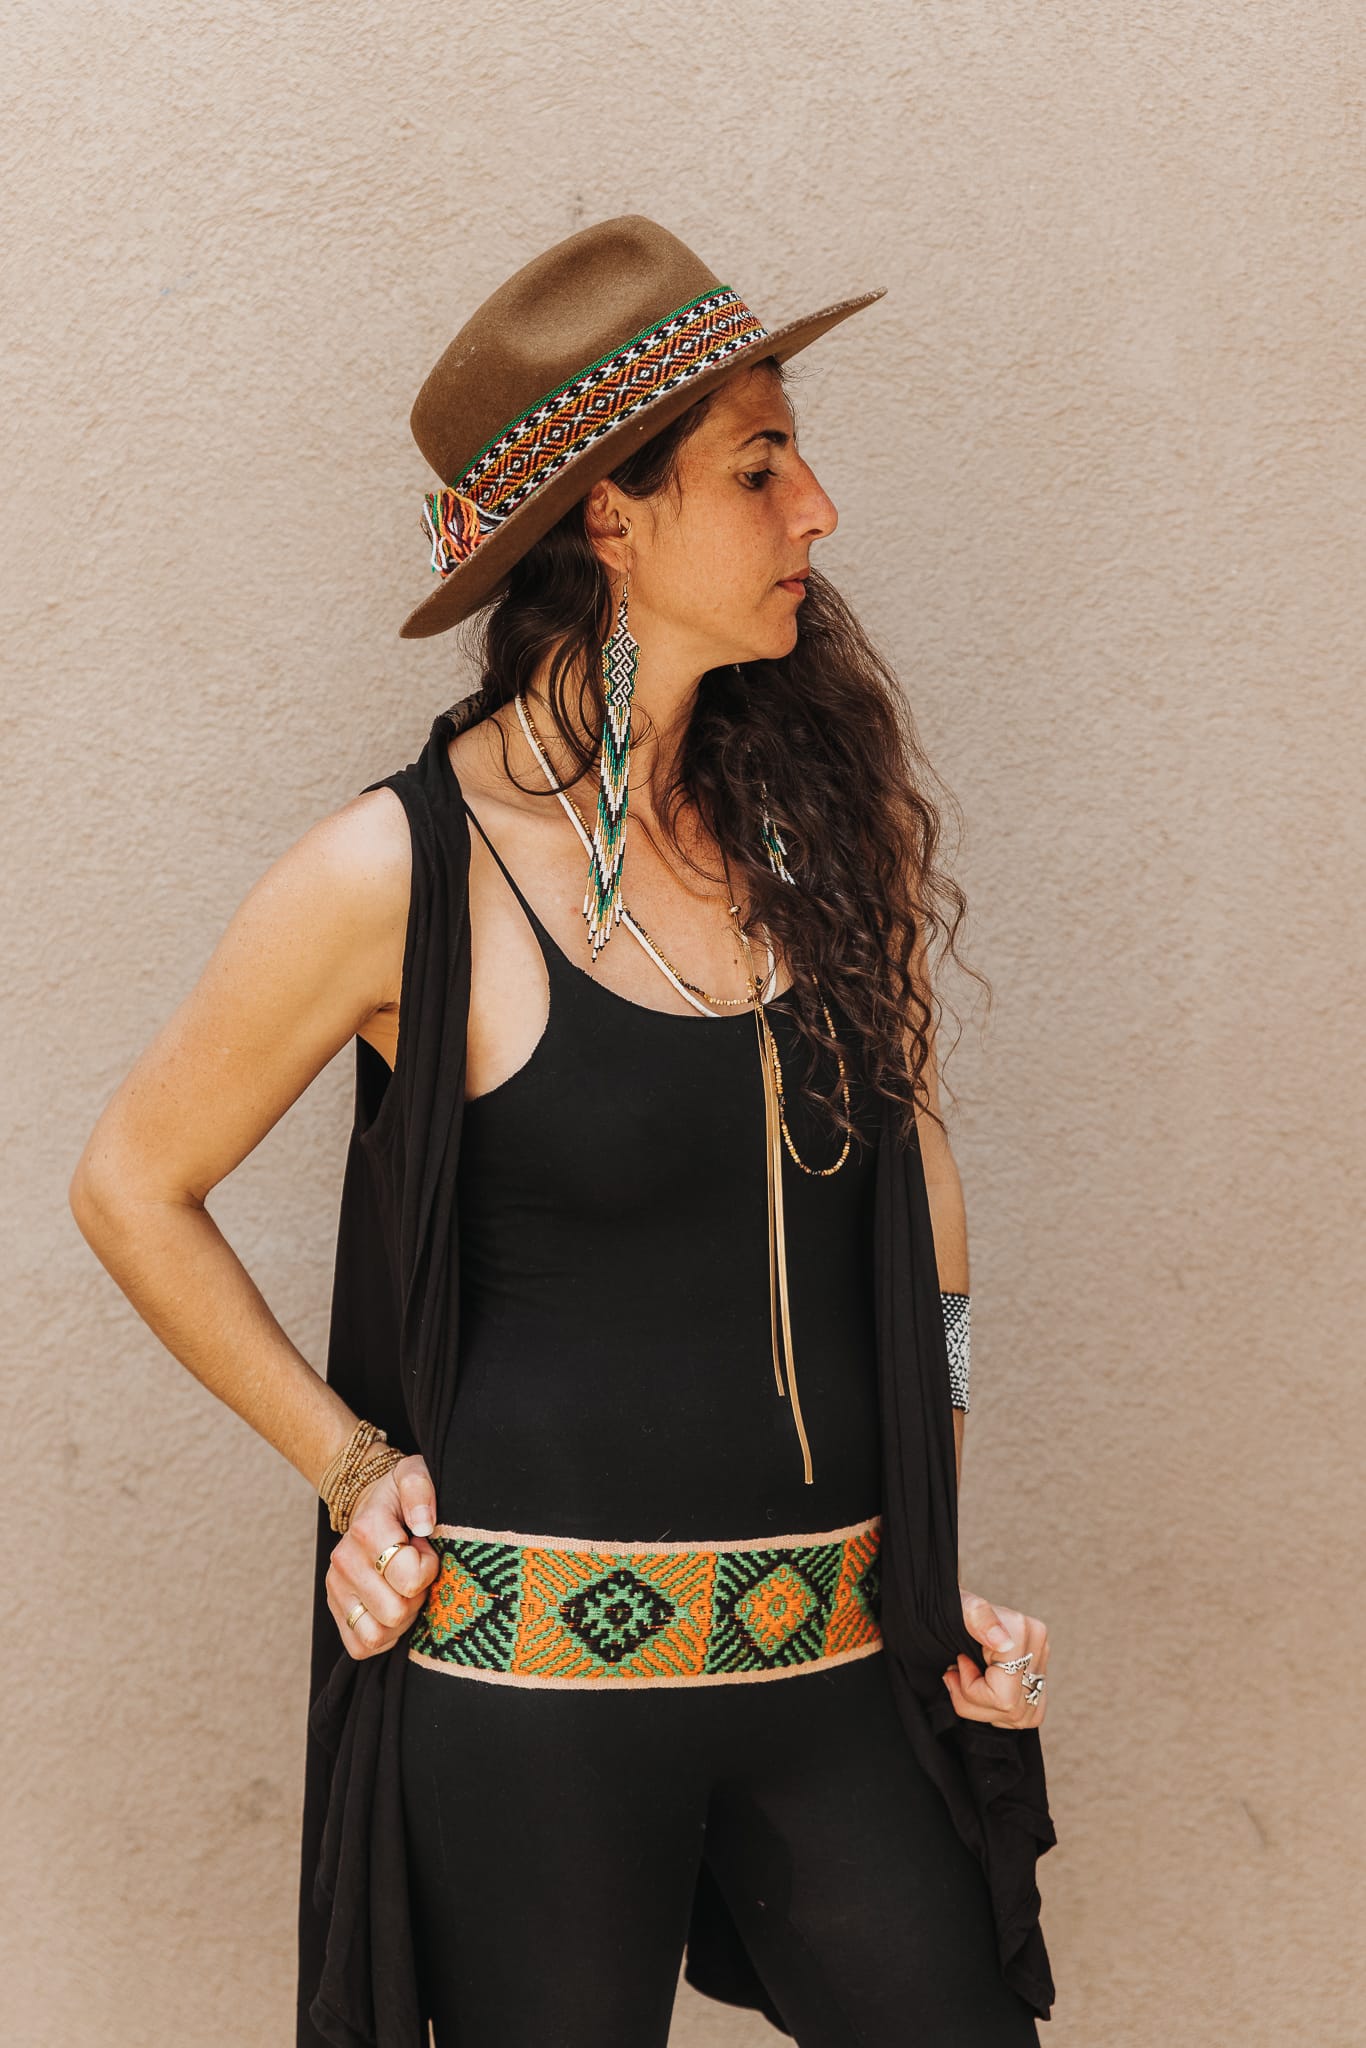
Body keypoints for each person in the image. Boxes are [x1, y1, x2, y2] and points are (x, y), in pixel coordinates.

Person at [70, 215, 1055, 2048]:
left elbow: (917, 1188)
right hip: (528, 1710)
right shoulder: (395, 876)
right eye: (758, 467)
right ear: (611, 518)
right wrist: (346, 1464)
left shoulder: (818, 833)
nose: (817, 509)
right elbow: (131, 1183)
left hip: (834, 1661)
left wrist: (926, 1522)